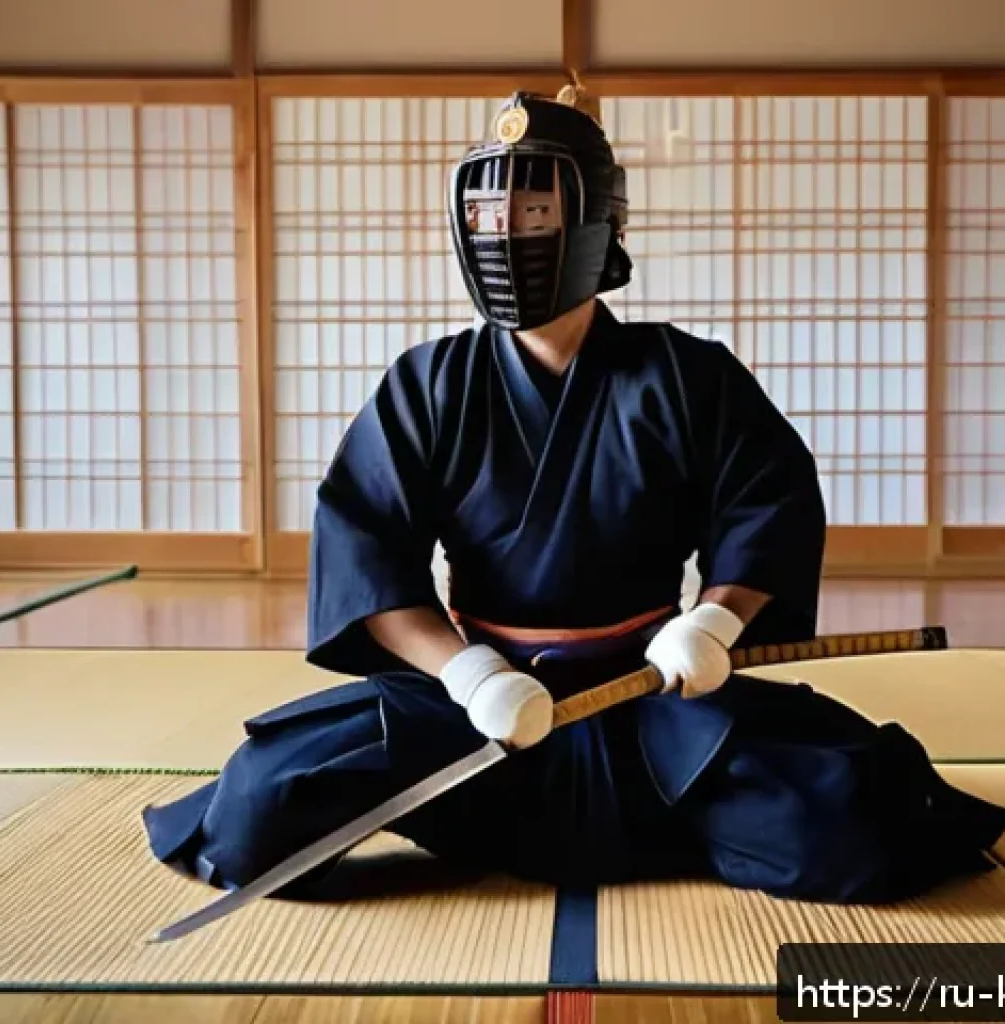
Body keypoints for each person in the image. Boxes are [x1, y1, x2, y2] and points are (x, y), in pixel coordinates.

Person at [144, 88, 1005, 905]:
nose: (506, 234)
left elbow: (767, 506)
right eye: (486, 213)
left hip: (658, 699)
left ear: (598, 221)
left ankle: (555, 824)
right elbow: (368, 551)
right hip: (478, 710)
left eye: (535, 212)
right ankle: (658, 832)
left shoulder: (685, 375)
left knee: (859, 819)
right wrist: (468, 670)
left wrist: (714, 624)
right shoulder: (428, 384)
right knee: (260, 807)